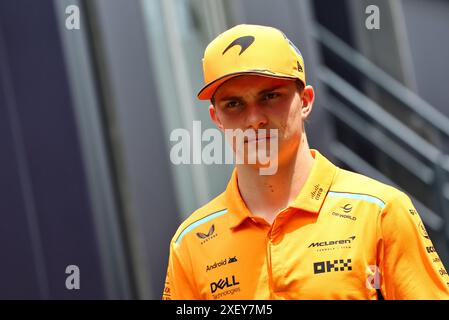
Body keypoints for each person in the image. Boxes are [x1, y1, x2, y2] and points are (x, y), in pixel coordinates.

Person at [162, 24, 449, 300]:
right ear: (217, 119)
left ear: (306, 101)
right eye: (234, 104)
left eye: (270, 96)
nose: (254, 119)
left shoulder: (379, 212)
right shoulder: (190, 242)